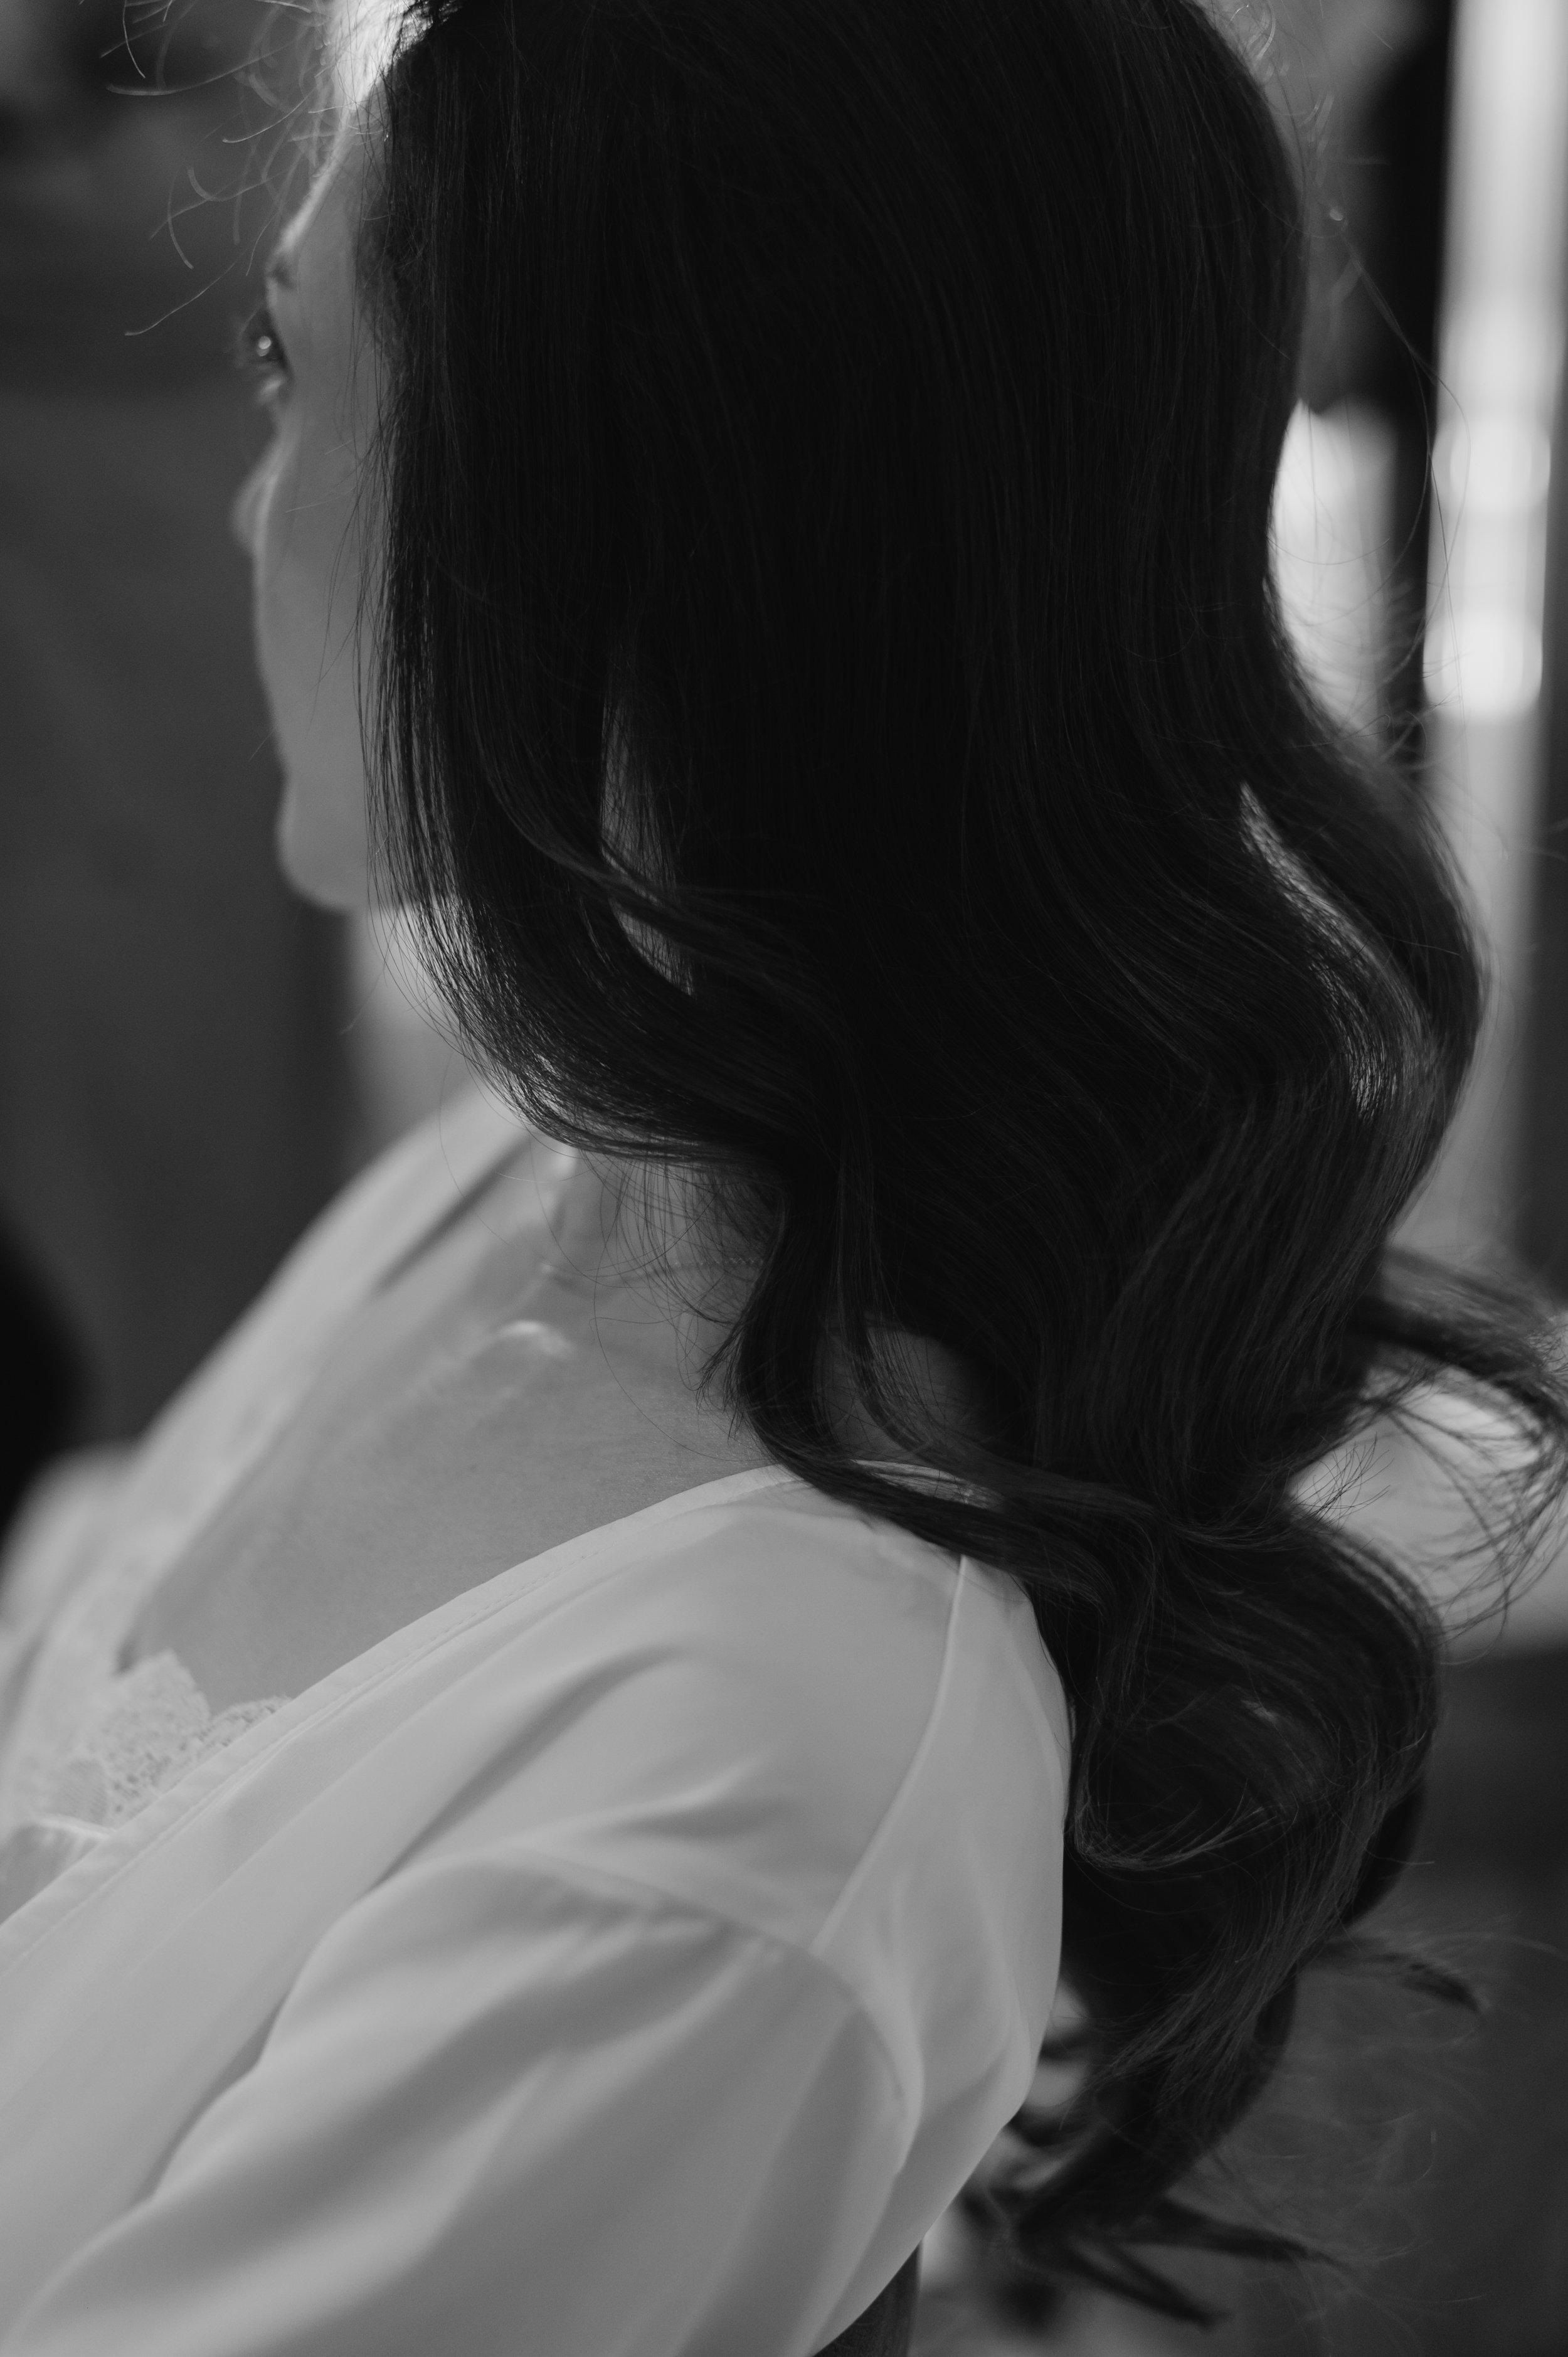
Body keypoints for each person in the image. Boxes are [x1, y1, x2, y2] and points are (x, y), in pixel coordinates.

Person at [0, 0, 1564, 2349]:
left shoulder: (737, 1805)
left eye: (285, 367)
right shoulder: (517, 1185)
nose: (248, 501)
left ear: (606, 522)